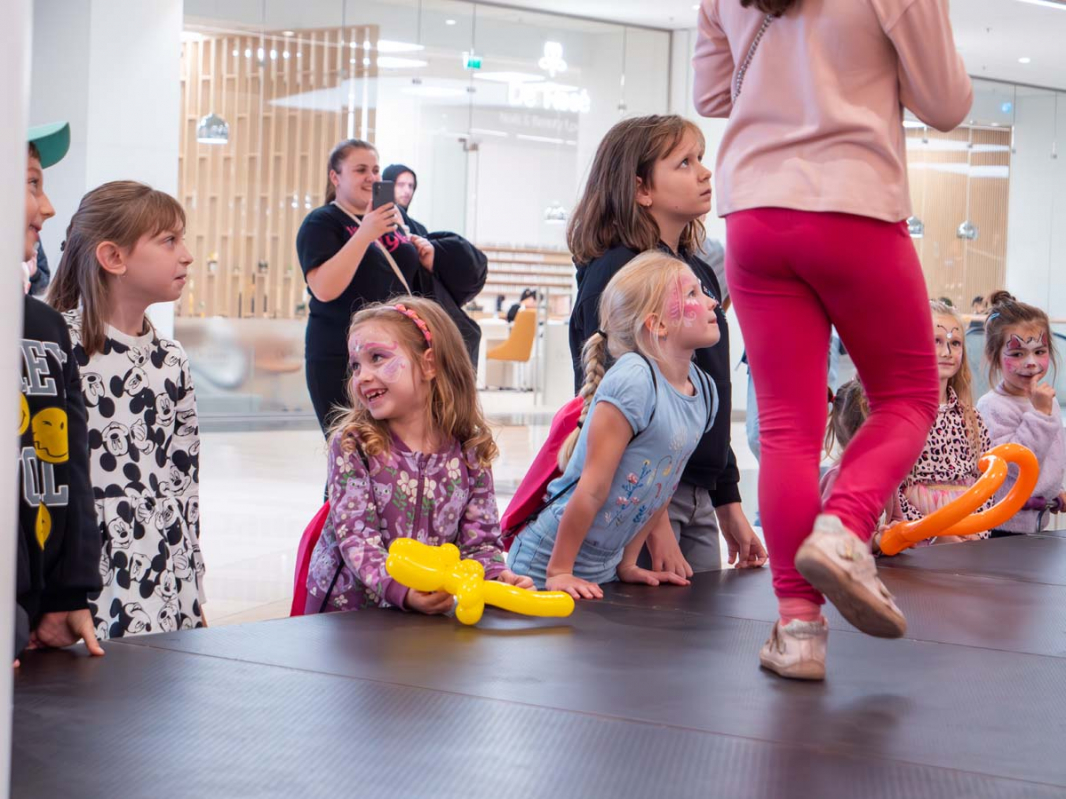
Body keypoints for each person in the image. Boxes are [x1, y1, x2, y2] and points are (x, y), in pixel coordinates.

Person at [695, 0, 972, 680]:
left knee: (787, 429)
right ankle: (844, 526)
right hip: (855, 207)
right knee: (909, 398)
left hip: (755, 214)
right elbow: (946, 104)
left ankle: (799, 632)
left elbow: (712, 95)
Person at [568, 114, 765, 578]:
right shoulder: (618, 272)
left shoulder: (699, 273)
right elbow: (610, 410)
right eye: (684, 163)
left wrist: (727, 500)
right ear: (641, 189)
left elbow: (709, 396)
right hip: (642, 499)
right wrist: (653, 527)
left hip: (695, 493)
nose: (704, 172)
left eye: (700, 158)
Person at [509, 253, 721, 598]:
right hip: (545, 564)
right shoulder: (634, 380)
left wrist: (628, 563)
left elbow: (659, 488)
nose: (712, 301)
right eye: (693, 294)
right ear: (658, 324)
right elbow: (592, 487)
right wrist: (559, 571)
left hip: (602, 568)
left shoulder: (704, 391)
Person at [305, 297, 532, 613]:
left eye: (377, 358)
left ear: (429, 364)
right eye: (356, 365)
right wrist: (403, 590)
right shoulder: (353, 445)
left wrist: (496, 575)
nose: (362, 376)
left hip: (424, 615)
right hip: (349, 614)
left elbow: (479, 544)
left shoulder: (470, 450)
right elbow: (357, 540)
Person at [49, 181, 205, 638]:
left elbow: (185, 480)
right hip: (82, 569)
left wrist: (193, 584)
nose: (187, 256)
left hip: (162, 559)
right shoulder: (57, 346)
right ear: (113, 257)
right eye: (169, 241)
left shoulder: (171, 358)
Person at [16, 122, 104, 665]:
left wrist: (67, 595)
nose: (47, 208)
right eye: (32, 184)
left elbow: (68, 465)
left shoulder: (44, 327)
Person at [298, 140, 430, 434]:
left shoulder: (392, 221)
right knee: (352, 447)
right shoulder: (322, 222)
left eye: (375, 170)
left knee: (397, 448)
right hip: (341, 356)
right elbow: (324, 288)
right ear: (335, 177)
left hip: (397, 354)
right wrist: (364, 234)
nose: (371, 177)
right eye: (360, 170)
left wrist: (422, 250)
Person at [895, 301, 992, 544]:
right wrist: (932, 535)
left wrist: (977, 530)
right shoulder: (899, 417)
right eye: (935, 341)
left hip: (969, 532)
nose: (947, 352)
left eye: (955, 343)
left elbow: (986, 480)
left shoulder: (972, 418)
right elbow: (891, 490)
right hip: (919, 539)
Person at [977, 290, 1066, 536]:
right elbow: (1017, 465)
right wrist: (1040, 415)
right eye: (1017, 354)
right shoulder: (991, 407)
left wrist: (1054, 490)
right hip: (1002, 528)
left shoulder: (1047, 401)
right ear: (994, 357)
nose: (1031, 362)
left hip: (1036, 526)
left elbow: (1051, 458)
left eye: (1040, 351)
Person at [382, 163, 428, 237]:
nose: (407, 191)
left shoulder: (420, 230)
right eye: (401, 184)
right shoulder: (375, 225)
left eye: (411, 186)